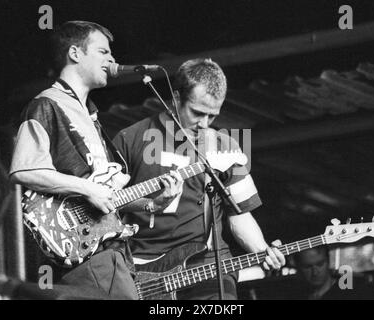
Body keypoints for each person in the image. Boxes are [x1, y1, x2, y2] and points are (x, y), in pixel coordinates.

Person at [9, 21, 182, 299]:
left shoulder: (90, 116)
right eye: (103, 51)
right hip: (86, 252)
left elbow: (108, 194)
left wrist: (152, 203)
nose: (112, 59)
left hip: (112, 251)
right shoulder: (46, 105)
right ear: (75, 53)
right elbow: (24, 169)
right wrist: (88, 189)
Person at [112, 58, 285, 300]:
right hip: (143, 269)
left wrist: (262, 250)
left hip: (206, 264)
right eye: (197, 113)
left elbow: (240, 214)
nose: (203, 124)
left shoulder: (225, 145)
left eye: (212, 116)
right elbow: (107, 204)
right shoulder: (130, 139)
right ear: (175, 97)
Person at [292, 246, 374, 300]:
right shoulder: (294, 294)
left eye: (320, 264)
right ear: (298, 267)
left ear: (328, 262)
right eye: (307, 267)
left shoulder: (352, 292)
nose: (315, 272)